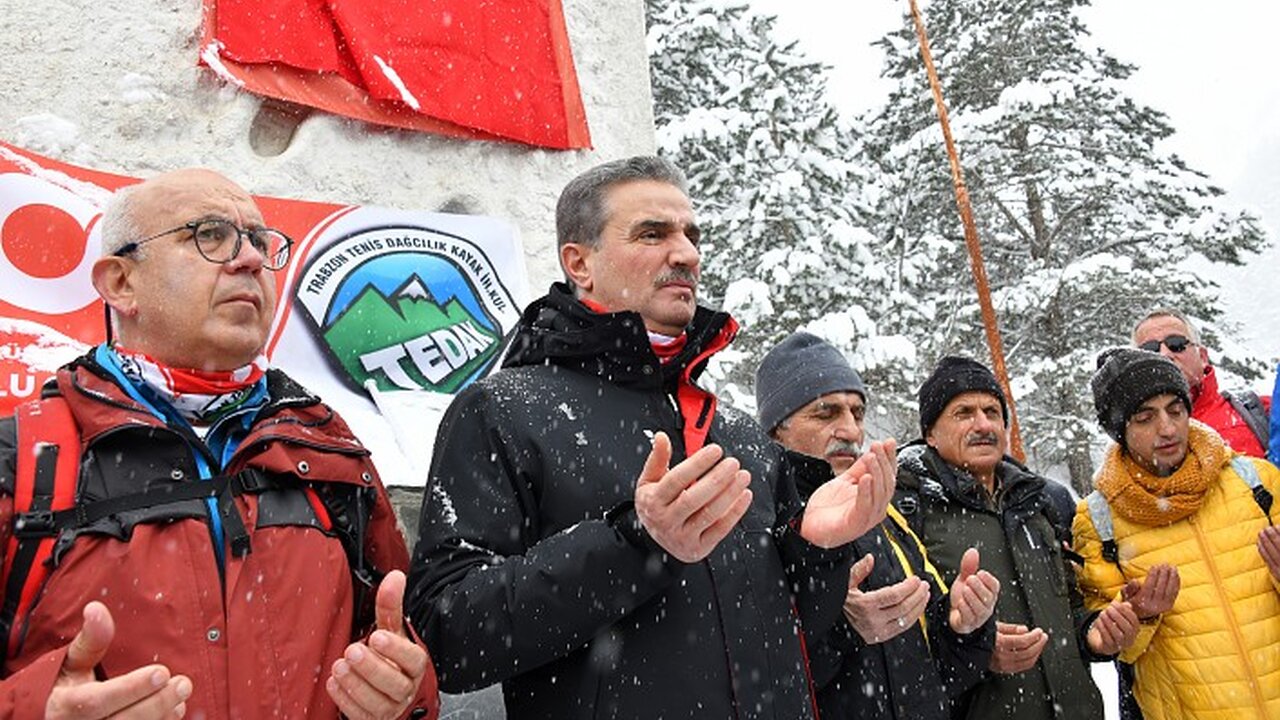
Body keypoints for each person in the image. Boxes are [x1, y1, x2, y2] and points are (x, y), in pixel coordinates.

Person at [407, 155, 897, 720]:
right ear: (580, 263)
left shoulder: (738, 435)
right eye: (652, 234)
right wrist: (635, 545)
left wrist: (815, 549)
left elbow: (792, 643)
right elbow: (450, 634)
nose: (686, 254)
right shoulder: (503, 409)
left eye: (691, 235)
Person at [0, 169, 438, 719]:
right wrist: (30, 709)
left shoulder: (330, 450)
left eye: (259, 241)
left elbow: (402, 658)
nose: (250, 259)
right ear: (120, 283)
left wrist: (404, 695)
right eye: (209, 235)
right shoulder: (25, 458)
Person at [755, 332, 999, 720]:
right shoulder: (757, 523)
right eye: (826, 413)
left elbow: (942, 675)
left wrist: (964, 626)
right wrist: (841, 631)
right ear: (775, 430)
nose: (851, 431)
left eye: (857, 413)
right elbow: (754, 682)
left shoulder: (887, 516)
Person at [893, 356, 1134, 720]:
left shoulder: (1042, 502)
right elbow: (897, 649)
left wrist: (1094, 634)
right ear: (930, 433)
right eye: (963, 413)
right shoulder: (904, 510)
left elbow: (1068, 609)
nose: (983, 424)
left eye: (992, 412)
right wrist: (973, 649)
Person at [1074, 348, 1280, 719]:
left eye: (1175, 410)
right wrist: (1137, 616)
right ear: (1119, 430)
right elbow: (1115, 644)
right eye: (1145, 417)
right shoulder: (1099, 520)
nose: (1167, 429)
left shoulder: (1257, 482)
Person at [1133, 308, 1270, 457]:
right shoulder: (1128, 436)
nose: (1165, 354)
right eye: (1150, 350)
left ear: (1203, 357)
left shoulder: (1262, 411)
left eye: (1176, 344)